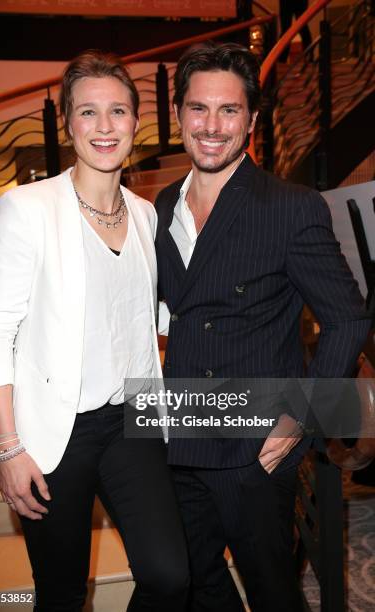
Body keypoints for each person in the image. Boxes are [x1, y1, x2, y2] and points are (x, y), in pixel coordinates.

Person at [155, 42, 371, 611]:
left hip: (252, 444)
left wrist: (297, 420)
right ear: (178, 115)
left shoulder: (290, 206)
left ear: (251, 120)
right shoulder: (158, 208)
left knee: (272, 589)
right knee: (192, 580)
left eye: (229, 110)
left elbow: (347, 318)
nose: (211, 125)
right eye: (198, 108)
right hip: (175, 435)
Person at [0, 50, 189, 612]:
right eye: (88, 112)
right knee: (62, 592)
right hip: (54, 431)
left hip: (132, 422)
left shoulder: (145, 214)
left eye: (117, 111)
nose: (104, 126)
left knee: (169, 576)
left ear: (136, 123)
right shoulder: (28, 207)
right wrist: (7, 449)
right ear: (68, 123)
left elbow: (145, 315)